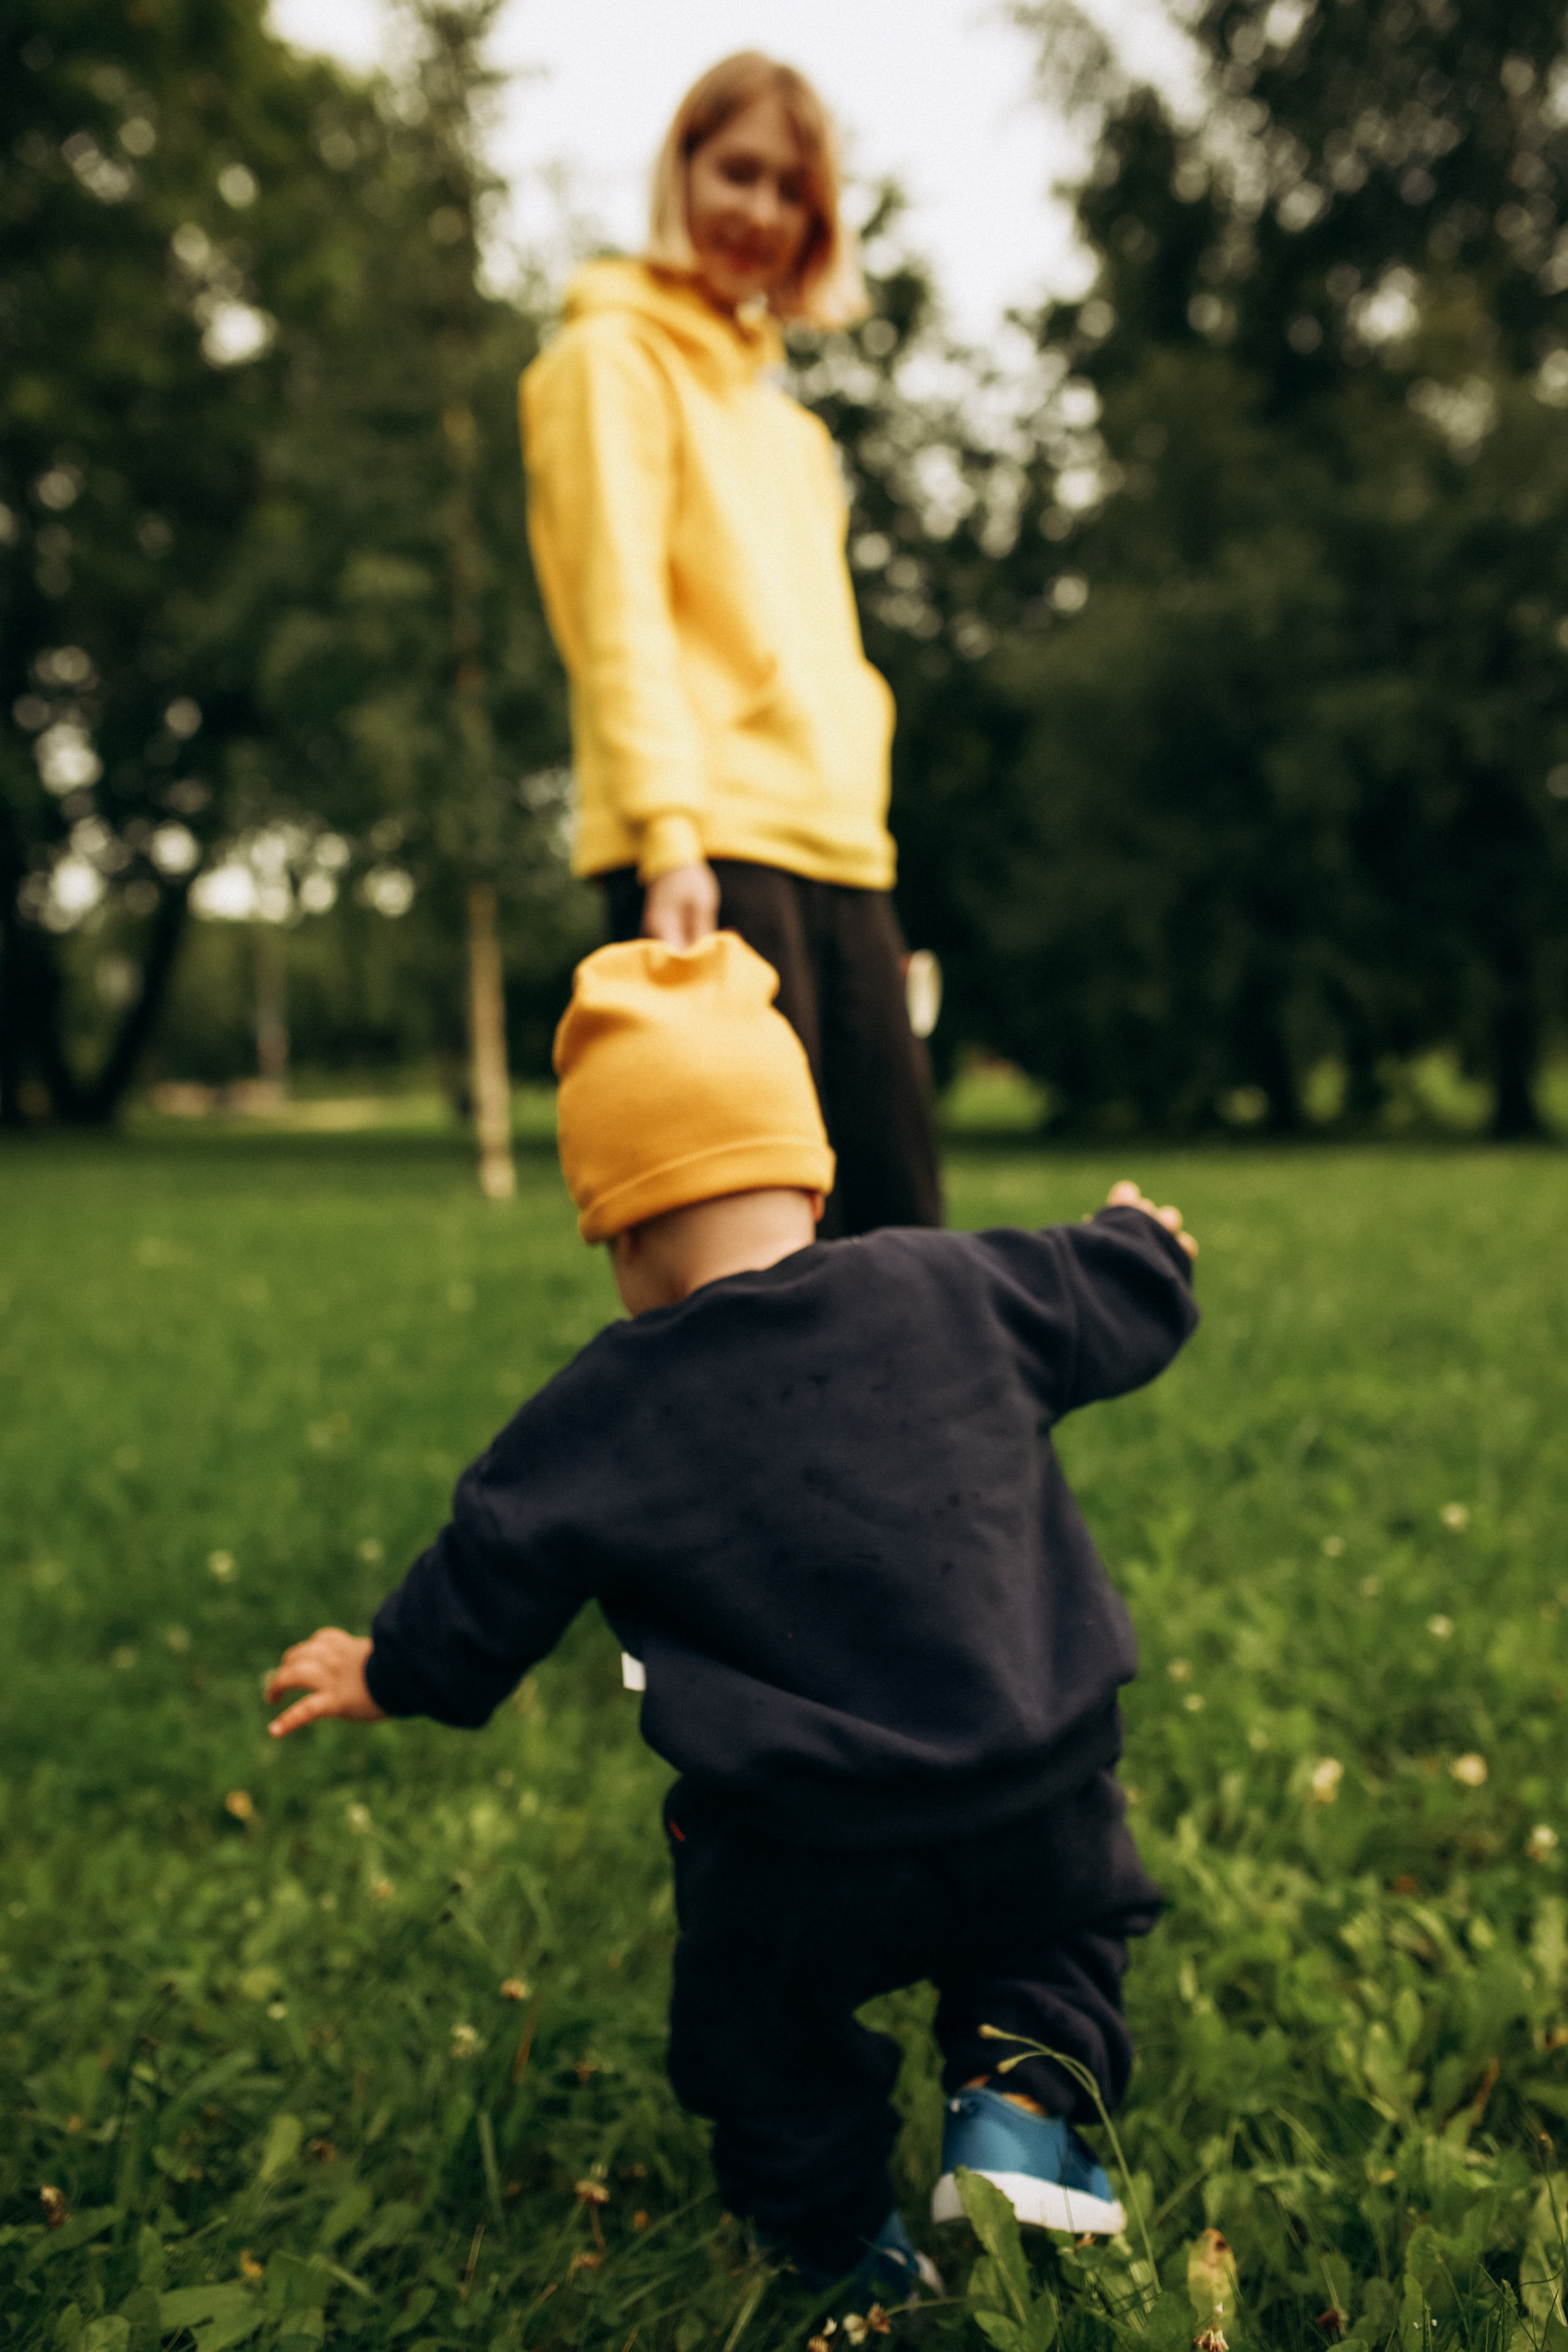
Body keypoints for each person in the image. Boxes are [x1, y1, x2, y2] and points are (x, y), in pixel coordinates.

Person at [263, 933, 1200, 2302]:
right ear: (811, 1177)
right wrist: (1141, 1242)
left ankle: (839, 2248)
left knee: (760, 2039)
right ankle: (1019, 2105)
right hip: (1034, 1786)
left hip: (799, 1841)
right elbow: (1122, 1289)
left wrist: (388, 1670)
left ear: (621, 1229)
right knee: (1054, 1943)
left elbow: (489, 1576)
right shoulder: (960, 1284)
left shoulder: (603, 1409)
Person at [519, 54, 942, 1239]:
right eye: (737, 173)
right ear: (681, 171)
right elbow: (619, 615)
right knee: (757, 1255)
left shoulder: (791, 428)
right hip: (708, 848)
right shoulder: (609, 360)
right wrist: (667, 840)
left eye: (791, 190)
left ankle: (923, 1438)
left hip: (844, 852)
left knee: (903, 1233)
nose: (759, 213)